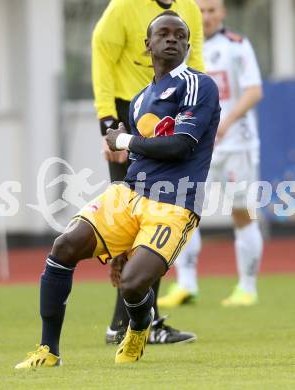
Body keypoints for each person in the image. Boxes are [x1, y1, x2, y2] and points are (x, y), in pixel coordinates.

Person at [15, 11, 220, 368]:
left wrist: (124, 138)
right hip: (129, 194)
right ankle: (48, 351)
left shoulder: (198, 85)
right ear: (148, 44)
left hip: (174, 202)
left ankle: (139, 328)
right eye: (163, 34)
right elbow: (141, 152)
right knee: (64, 246)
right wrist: (126, 146)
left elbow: (180, 146)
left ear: (188, 45)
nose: (171, 39)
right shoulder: (141, 98)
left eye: (179, 35)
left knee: (131, 285)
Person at [92, 0, 206, 345]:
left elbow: (196, 63)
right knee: (130, 222)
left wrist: (201, 115)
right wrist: (107, 121)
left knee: (159, 219)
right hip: (130, 111)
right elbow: (101, 53)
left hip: (174, 113)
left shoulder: (190, 9)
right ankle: (134, 322)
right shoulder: (124, 7)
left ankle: (127, 322)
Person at [158, 0, 263, 308]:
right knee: (184, 213)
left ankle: (247, 287)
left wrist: (223, 124)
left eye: (211, 10)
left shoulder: (237, 46)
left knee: (241, 213)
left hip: (235, 144)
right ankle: (186, 284)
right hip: (194, 147)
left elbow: (253, 91)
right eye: (200, 10)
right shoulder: (182, 51)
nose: (205, 16)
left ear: (223, 12)